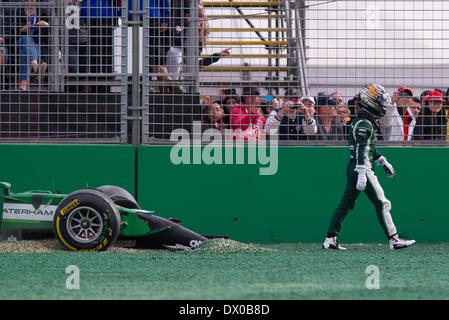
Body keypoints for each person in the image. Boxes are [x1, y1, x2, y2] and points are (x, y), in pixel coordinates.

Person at [323, 83, 416, 251]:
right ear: (371, 102)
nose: (382, 106)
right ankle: (394, 239)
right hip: (362, 168)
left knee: (345, 205)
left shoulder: (361, 120)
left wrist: (382, 161)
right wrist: (361, 172)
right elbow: (360, 148)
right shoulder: (365, 123)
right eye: (380, 102)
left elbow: (367, 147)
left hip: (354, 166)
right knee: (382, 203)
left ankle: (330, 239)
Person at [17, 0, 49, 91]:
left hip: (37, 43)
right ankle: (36, 67)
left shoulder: (43, 10)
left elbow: (52, 29)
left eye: (32, 0)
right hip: (21, 41)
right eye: (27, 0)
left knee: (25, 52)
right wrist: (22, 29)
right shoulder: (19, 11)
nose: (30, 1)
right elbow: (13, 31)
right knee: (25, 38)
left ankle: (23, 83)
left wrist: (45, 24)